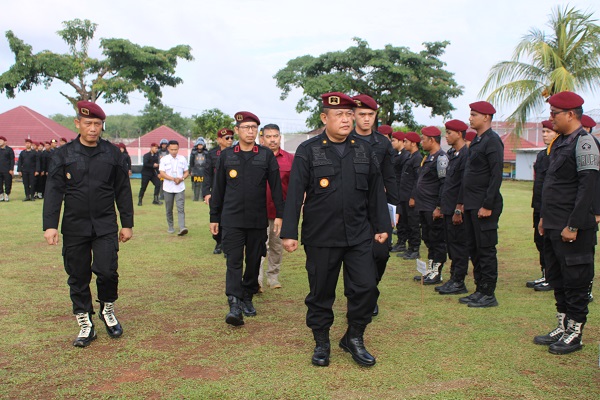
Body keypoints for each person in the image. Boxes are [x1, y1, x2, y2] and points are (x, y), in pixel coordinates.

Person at [281, 92, 389, 367]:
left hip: (359, 234)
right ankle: (321, 342)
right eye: (339, 114)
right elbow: (295, 193)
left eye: (349, 114)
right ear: (324, 118)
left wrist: (381, 225)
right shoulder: (309, 150)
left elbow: (376, 190)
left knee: (366, 288)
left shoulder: (364, 149)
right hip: (322, 236)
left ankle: (354, 337)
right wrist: (290, 232)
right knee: (321, 293)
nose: (346, 119)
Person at [43, 101, 133, 347]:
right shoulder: (63, 155)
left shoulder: (113, 153)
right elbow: (54, 191)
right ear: (77, 124)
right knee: (78, 275)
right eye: (88, 123)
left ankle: (107, 309)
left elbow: (122, 190)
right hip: (74, 226)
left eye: (97, 124)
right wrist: (50, 225)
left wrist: (127, 223)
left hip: (104, 225)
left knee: (107, 271)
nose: (93, 128)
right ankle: (85, 322)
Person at [534, 91, 598, 355]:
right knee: (558, 278)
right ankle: (562, 325)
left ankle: (575, 332)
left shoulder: (584, 143)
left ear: (571, 114)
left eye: (554, 114)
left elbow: (589, 187)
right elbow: (552, 185)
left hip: (572, 228)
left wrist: (574, 225)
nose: (551, 119)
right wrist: (543, 219)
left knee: (576, 280)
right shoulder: (560, 143)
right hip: (552, 224)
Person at [210, 111, 284, 327]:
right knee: (233, 261)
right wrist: (214, 216)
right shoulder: (226, 156)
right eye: (246, 128)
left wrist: (280, 214)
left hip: (256, 219)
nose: (250, 131)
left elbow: (277, 187)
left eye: (254, 128)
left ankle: (247, 296)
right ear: (238, 130)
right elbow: (218, 189)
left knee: (253, 261)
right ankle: (234, 302)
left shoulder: (265, 155)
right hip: (231, 218)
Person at [350, 94, 399, 316]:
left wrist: (394, 209)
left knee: (381, 253)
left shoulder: (383, 143)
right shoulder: (345, 139)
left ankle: (371, 290)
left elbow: (390, 178)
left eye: (370, 114)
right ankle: (360, 297)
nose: (366, 119)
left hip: (378, 206)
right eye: (362, 115)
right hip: (353, 207)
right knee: (353, 255)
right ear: (353, 116)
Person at [457, 101, 504, 308]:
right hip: (471, 204)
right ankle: (479, 289)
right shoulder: (477, 141)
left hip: (484, 205)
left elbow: (496, 175)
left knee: (485, 249)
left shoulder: (492, 141)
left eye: (474, 115)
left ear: (486, 117)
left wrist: (488, 204)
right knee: (474, 248)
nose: (470, 118)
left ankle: (488, 293)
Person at [257, 124, 294, 291]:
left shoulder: (289, 159)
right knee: (259, 246)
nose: (272, 139)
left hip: (279, 212)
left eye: (275, 136)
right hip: (258, 210)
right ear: (262, 138)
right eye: (268, 136)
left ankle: (273, 277)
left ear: (280, 137)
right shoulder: (256, 157)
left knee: (276, 246)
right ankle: (257, 279)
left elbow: (295, 185)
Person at [436, 120, 470, 295]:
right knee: (451, 245)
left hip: (456, 208)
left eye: (449, 133)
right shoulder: (452, 154)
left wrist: (459, 208)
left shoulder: (466, 155)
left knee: (458, 245)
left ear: (459, 133)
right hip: (448, 207)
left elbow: (464, 184)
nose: (446, 136)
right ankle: (453, 278)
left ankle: (459, 281)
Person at [526, 121, 558, 291]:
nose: (544, 134)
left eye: (548, 131)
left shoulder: (557, 153)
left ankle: (552, 278)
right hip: (539, 205)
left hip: (551, 207)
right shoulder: (542, 155)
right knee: (539, 241)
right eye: (543, 131)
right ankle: (545, 274)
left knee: (550, 243)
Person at [414, 126, 448, 285]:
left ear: (432, 140)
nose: (421, 142)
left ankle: (437, 272)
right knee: (427, 238)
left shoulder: (441, 158)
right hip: (423, 206)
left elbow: (444, 184)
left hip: (432, 206)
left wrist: (439, 207)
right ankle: (430, 268)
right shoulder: (428, 158)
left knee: (437, 239)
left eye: (423, 139)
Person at [203, 128, 234, 254]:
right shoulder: (211, 154)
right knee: (217, 216)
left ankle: (228, 245)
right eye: (227, 138)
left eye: (232, 138)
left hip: (231, 191)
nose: (230, 140)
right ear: (219, 140)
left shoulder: (235, 153)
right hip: (217, 192)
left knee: (230, 218)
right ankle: (219, 242)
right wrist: (207, 192)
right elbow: (207, 174)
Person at [400, 132, 423, 260]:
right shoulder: (410, 157)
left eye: (406, 141)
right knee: (407, 223)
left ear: (413, 143)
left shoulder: (417, 158)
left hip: (411, 197)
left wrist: (413, 197)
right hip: (404, 196)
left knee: (413, 224)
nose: (404, 144)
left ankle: (415, 249)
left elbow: (417, 180)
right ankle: (409, 248)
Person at [159, 140, 189, 236]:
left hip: (180, 187)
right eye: (172, 149)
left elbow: (186, 172)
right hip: (168, 188)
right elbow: (162, 173)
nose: (174, 151)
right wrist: (173, 179)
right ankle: (170, 226)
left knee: (180, 208)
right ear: (168, 149)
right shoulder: (164, 159)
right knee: (169, 208)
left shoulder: (182, 159)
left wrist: (182, 178)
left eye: (176, 149)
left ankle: (182, 227)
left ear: (178, 149)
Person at [390, 131, 409, 253]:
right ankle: (400, 241)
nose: (392, 143)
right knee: (399, 217)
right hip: (396, 189)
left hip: (402, 189)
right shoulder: (398, 154)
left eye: (394, 140)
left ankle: (403, 242)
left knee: (403, 218)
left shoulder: (405, 156)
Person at [189, 137, 208, 202]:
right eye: (199, 145)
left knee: (203, 185)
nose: (200, 146)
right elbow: (191, 163)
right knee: (196, 185)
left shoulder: (206, 153)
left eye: (201, 145)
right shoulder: (193, 153)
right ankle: (196, 198)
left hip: (203, 171)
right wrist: (191, 171)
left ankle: (203, 197)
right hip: (195, 171)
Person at [0, 135, 15, 202]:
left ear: (5, 142)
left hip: (7, 170)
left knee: (8, 182)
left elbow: (12, 160)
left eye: (1, 140)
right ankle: (1, 194)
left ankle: (7, 194)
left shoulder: (9, 150)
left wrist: (11, 169)